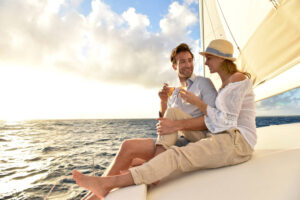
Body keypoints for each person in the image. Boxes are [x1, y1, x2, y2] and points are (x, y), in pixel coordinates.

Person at [72, 39, 257, 199]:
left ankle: (116, 180)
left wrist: (191, 108)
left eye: (203, 58)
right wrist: (163, 103)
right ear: (174, 66)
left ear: (221, 59)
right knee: (130, 146)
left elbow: (220, 120)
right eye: (182, 61)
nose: (203, 62)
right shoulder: (182, 91)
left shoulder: (215, 82)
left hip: (227, 138)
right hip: (194, 136)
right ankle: (97, 193)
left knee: (164, 156)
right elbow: (166, 122)